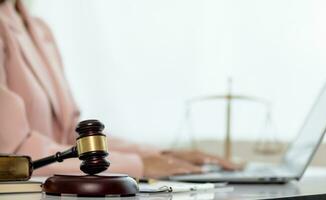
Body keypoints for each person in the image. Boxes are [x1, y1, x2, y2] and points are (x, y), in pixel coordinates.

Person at [0, 0, 243, 178]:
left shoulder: (38, 28)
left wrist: (162, 154)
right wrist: (136, 165)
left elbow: (68, 138)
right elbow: (13, 155)